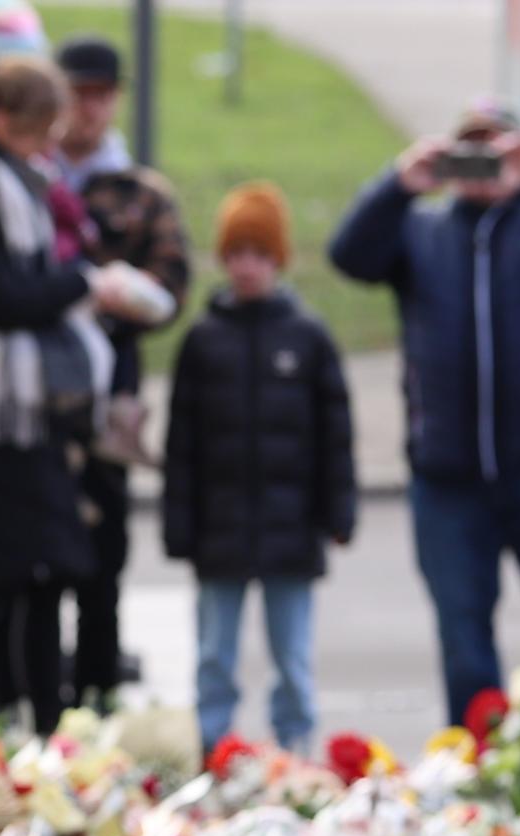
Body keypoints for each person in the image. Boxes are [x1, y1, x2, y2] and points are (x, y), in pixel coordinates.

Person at [328, 100, 520, 726]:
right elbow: (349, 256)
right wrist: (399, 185)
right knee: (465, 645)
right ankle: (482, 784)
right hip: (448, 481)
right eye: (469, 149)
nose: (481, 163)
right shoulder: (423, 231)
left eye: (494, 148)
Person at [0, 59, 157, 726]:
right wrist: (80, 284)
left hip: (29, 407)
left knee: (42, 575)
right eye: (40, 132)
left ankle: (44, 729)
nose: (50, 147)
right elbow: (1, 295)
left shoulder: (18, 179)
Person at [161, 183, 355, 755]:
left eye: (259, 254)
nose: (247, 267)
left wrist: (337, 512)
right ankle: (214, 747)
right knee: (215, 653)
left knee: (291, 655)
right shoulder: (203, 340)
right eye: (237, 254)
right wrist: (179, 525)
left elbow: (334, 437)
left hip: (290, 528)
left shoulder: (307, 338)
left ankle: (294, 748)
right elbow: (182, 445)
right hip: (220, 529)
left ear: (278, 259)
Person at [46, 37, 187, 712]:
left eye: (102, 94)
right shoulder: (31, 177)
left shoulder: (139, 189)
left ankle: (98, 696)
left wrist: (121, 292)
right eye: (78, 93)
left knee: (104, 555)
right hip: (38, 394)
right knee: (36, 558)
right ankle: (37, 705)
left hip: (109, 397)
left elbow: (173, 283)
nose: (89, 109)